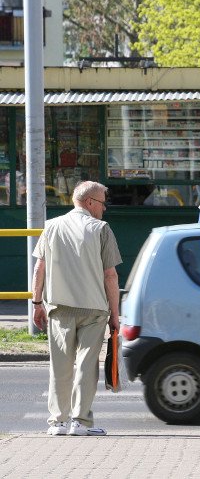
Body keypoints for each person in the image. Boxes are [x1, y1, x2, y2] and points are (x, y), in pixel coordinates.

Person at [31, 181, 122, 436]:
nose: (104, 208)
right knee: (86, 365)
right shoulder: (101, 229)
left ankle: (58, 422)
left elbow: (39, 268)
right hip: (93, 310)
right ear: (90, 202)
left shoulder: (51, 226)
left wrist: (36, 304)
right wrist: (115, 315)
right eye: (103, 202)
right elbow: (110, 276)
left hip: (59, 307)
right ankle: (80, 422)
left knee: (60, 366)